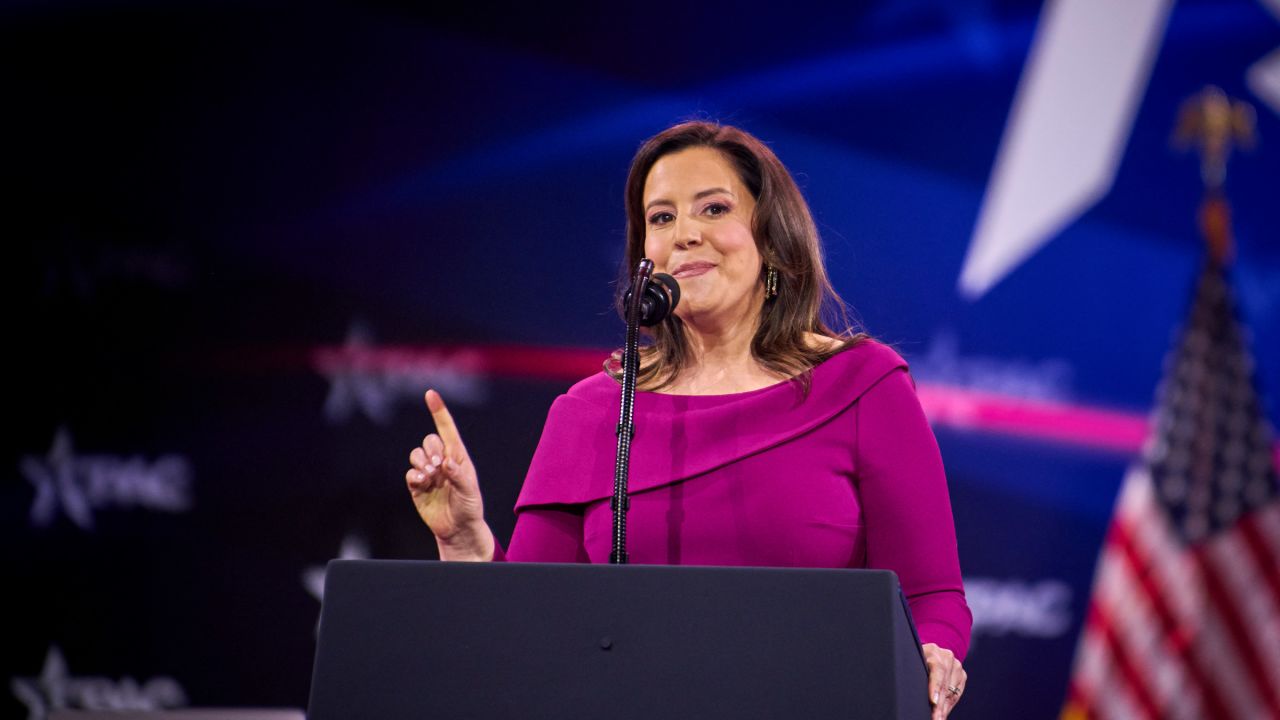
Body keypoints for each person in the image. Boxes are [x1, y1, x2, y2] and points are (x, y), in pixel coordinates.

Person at [405, 121, 971, 720]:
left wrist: (930, 656)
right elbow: (533, 626)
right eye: (662, 218)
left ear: (771, 236)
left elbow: (932, 595)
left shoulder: (862, 385)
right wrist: (465, 544)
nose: (685, 234)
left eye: (714, 208)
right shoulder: (592, 410)